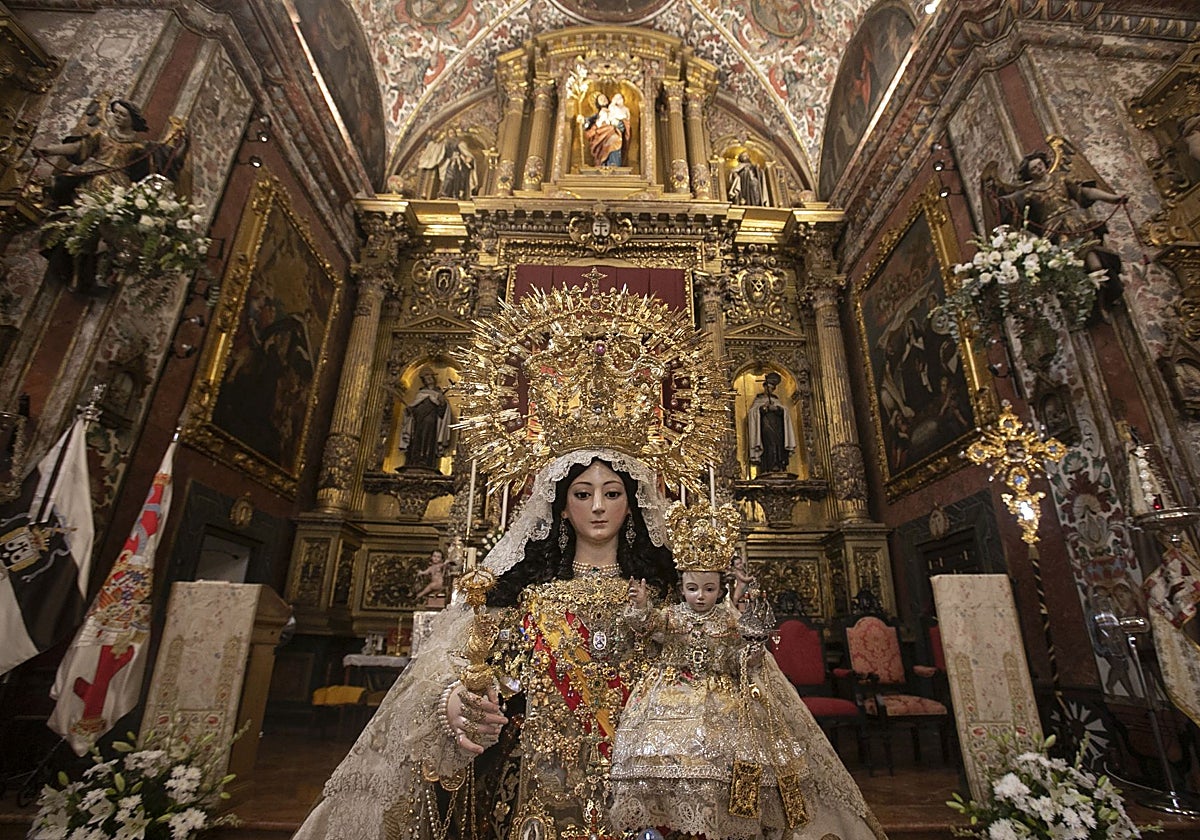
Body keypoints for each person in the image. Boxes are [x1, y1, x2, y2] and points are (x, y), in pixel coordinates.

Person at [292, 285, 885, 840]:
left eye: (612, 493)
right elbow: (466, 662)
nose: (597, 506)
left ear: (635, 503)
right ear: (558, 502)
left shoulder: (671, 589)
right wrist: (460, 700)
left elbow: (726, 667)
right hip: (540, 785)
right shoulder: (515, 588)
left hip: (652, 775)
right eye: (582, 493)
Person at [611, 504, 816, 838]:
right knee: (669, 763)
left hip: (723, 699)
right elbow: (646, 625)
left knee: (718, 767)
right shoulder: (673, 615)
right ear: (682, 588)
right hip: (670, 695)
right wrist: (640, 606)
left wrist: (750, 651)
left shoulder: (727, 620)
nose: (700, 596)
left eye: (708, 589)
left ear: (721, 589)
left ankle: (716, 822)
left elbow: (739, 659)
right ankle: (675, 822)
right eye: (693, 588)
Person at [33, 99, 188, 291]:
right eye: (115, 113)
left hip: (116, 188)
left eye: (122, 114)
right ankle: (72, 270)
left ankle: (97, 272)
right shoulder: (102, 135)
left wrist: (182, 144)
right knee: (76, 225)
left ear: (132, 120)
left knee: (104, 231)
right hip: (90, 181)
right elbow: (78, 147)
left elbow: (168, 160)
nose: (117, 117)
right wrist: (49, 150)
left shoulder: (139, 147)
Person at [995, 148, 1128, 308]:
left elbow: (1086, 192)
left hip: (1075, 223)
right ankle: (1083, 303)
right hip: (1054, 230)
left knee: (1095, 263)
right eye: (1034, 169)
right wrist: (995, 198)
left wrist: (1113, 199)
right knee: (1070, 266)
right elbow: (1008, 204)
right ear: (1029, 174)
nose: (1039, 169)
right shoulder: (1028, 193)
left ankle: (1104, 298)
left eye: (1040, 165)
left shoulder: (1061, 179)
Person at [398, 367, 451, 471]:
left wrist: (442, 403)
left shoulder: (438, 393)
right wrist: (410, 411)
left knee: (429, 442)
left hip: (432, 423)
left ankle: (427, 461)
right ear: (423, 380)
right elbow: (413, 410)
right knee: (416, 441)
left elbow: (442, 413)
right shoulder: (421, 393)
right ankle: (415, 460)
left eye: (430, 376)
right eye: (426, 376)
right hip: (418, 424)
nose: (429, 378)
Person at [747, 371, 797, 475]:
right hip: (765, 427)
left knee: (778, 445)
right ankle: (768, 467)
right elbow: (752, 413)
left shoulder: (776, 399)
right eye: (769, 387)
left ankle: (779, 465)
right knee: (769, 445)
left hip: (778, 428)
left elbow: (785, 412)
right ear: (765, 387)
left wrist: (777, 409)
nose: (770, 390)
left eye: (772, 388)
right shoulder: (759, 399)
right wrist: (763, 408)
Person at [417, 129, 477, 199]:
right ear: (447, 135)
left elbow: (467, 154)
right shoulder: (445, 143)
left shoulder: (460, 143)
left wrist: (467, 159)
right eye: (450, 133)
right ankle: (445, 193)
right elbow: (437, 152)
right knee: (448, 178)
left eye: (453, 133)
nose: (452, 135)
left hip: (458, 164)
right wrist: (429, 140)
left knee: (456, 179)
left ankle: (456, 194)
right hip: (448, 164)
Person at [578, 91, 629, 167]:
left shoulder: (613, 110)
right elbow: (590, 121)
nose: (604, 100)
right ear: (597, 103)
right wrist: (583, 120)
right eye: (601, 99)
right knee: (603, 149)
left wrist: (618, 124)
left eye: (604, 98)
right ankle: (603, 164)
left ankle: (614, 164)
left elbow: (622, 122)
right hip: (600, 136)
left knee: (614, 141)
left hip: (614, 134)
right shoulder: (599, 114)